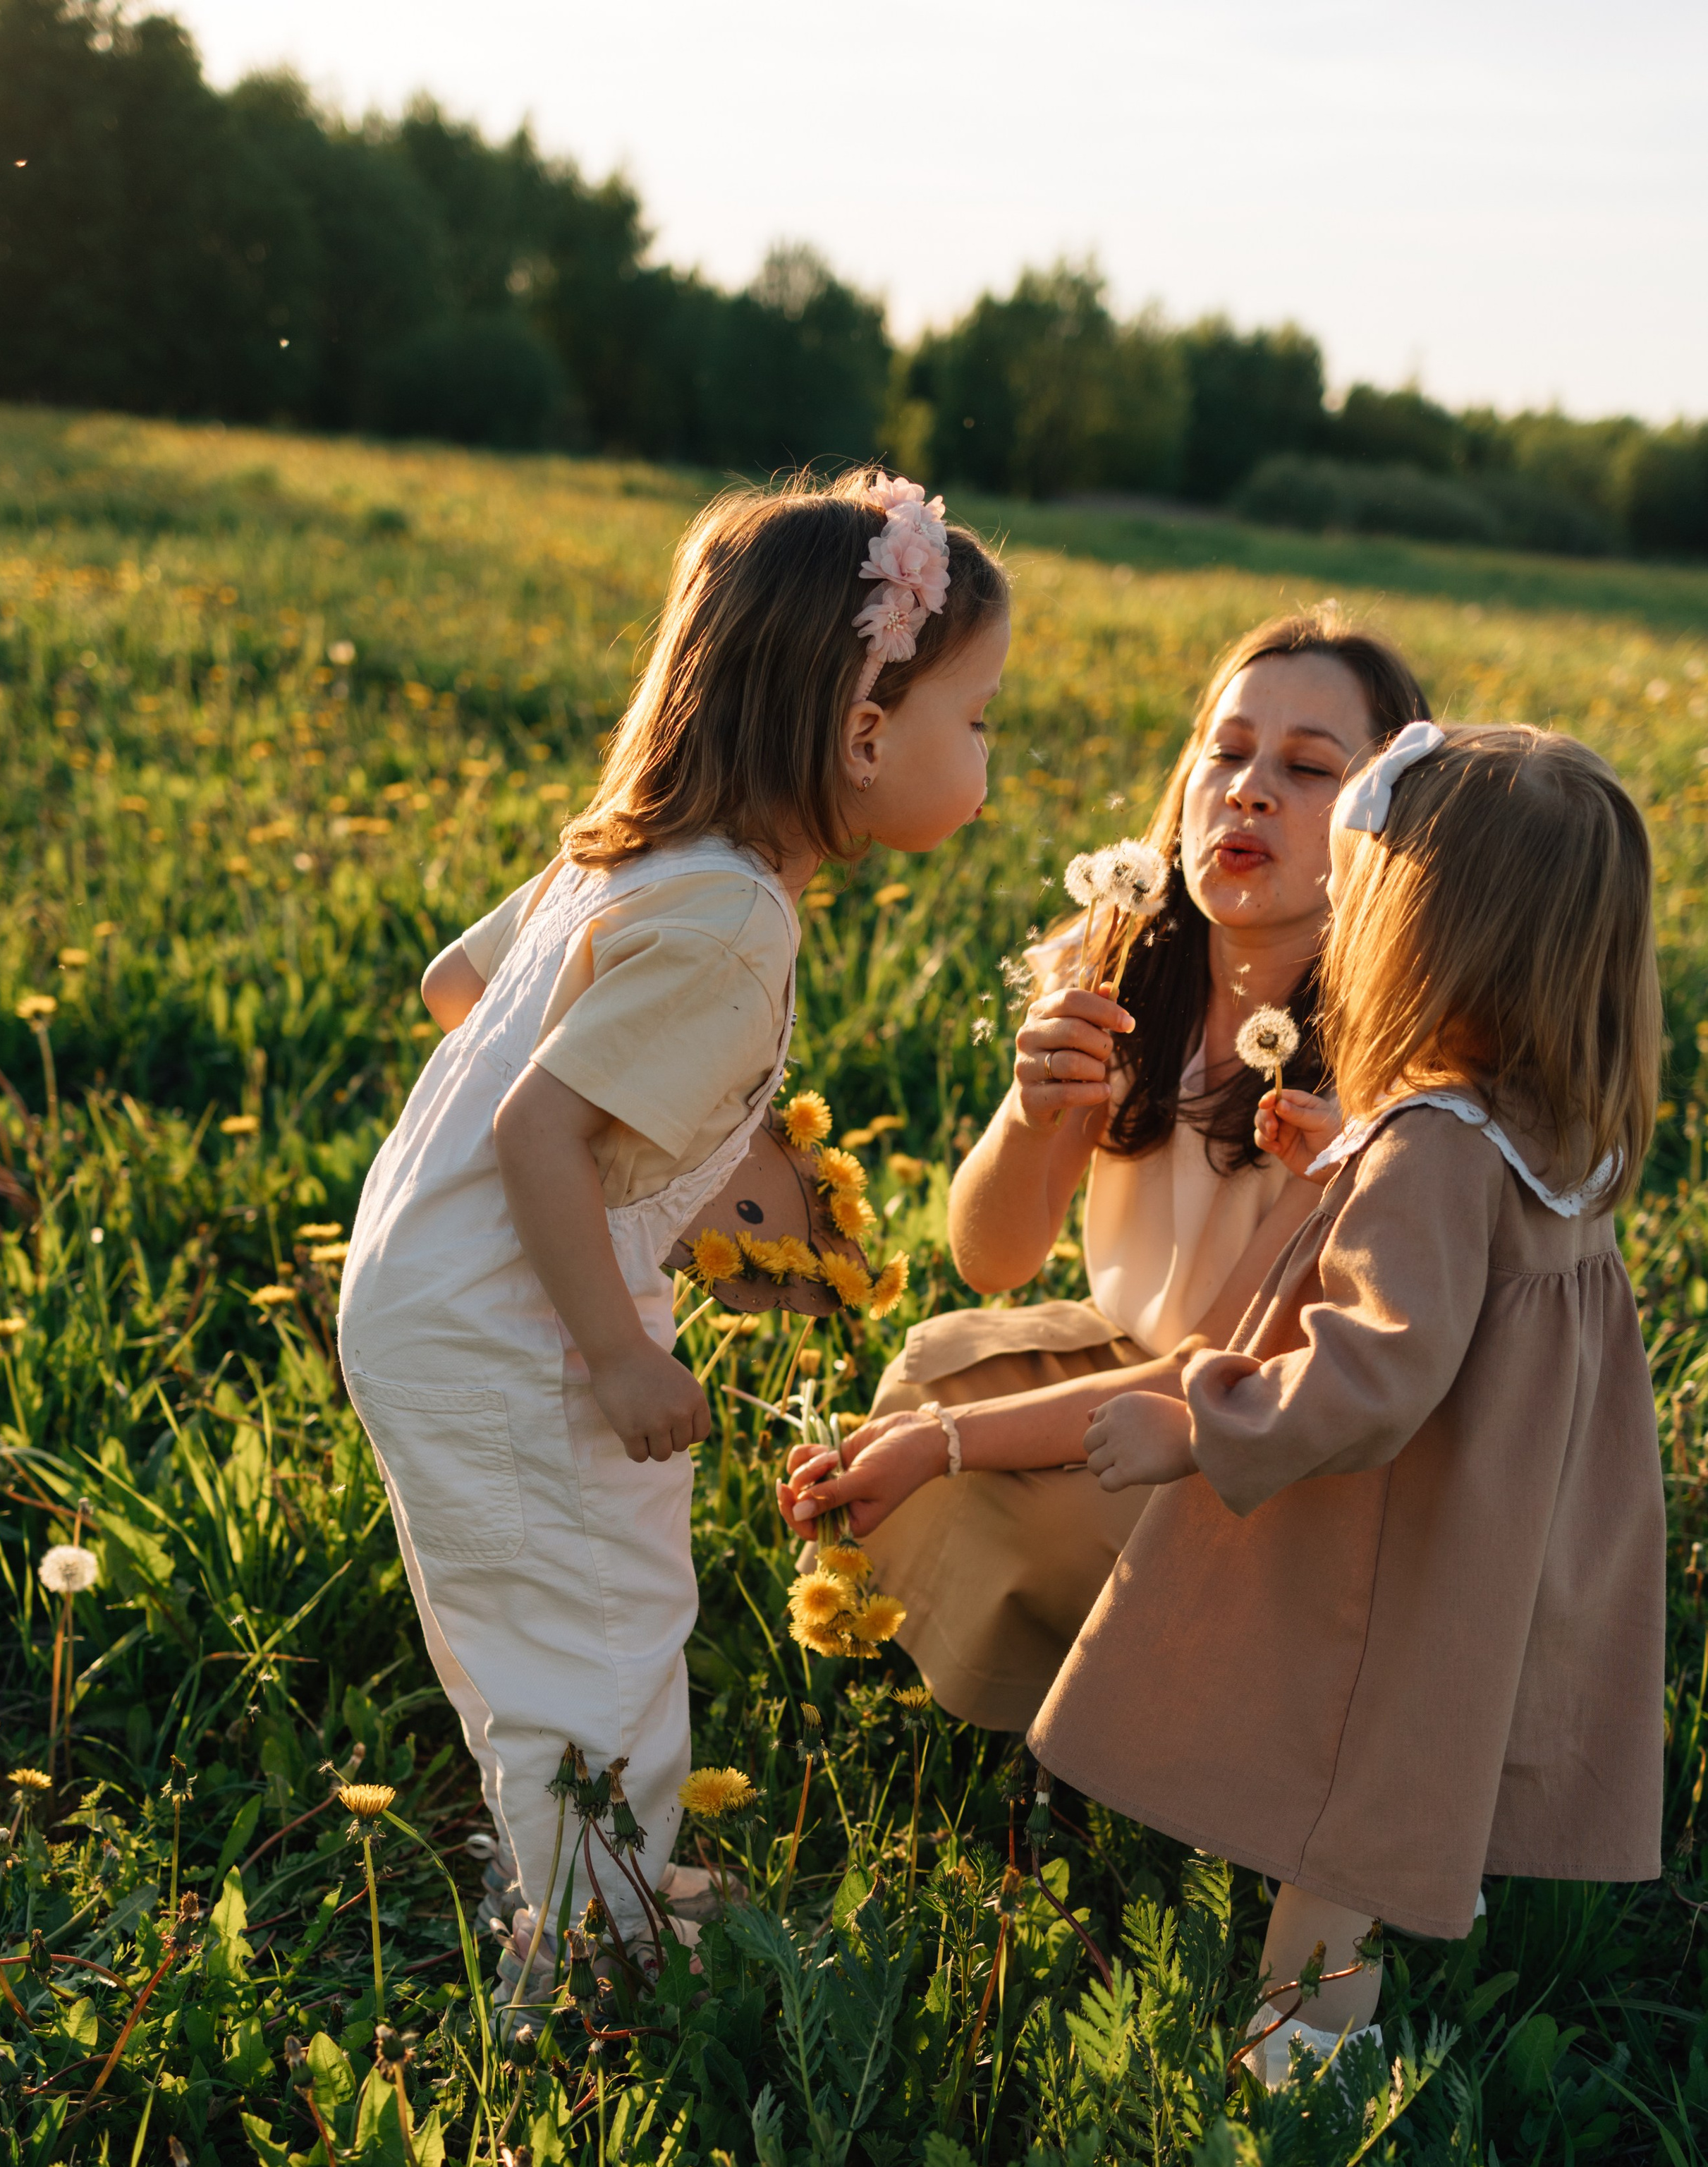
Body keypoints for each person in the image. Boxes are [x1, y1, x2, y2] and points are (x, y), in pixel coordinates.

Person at [337, 471, 1010, 1989]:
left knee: (529, 1621)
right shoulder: (733, 920)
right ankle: (586, 1968)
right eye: (974, 719)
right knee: (602, 1633)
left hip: (419, 1296)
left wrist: (676, 1152)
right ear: (860, 730)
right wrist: (618, 1352)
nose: (985, 754)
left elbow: (462, 994)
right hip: (521, 1331)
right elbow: (536, 1128)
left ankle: (568, 1868)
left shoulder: (625, 856)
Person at [1032, 721, 1665, 2080]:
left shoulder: (1438, 1145)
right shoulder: (1556, 1130)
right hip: (1497, 1532)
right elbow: (1477, 1288)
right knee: (1432, 1731)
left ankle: (1303, 2072)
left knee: (1344, 1787)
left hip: (1395, 1537)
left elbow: (1379, 1367)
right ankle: (1425, 1883)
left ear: (1431, 938)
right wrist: (1356, 1161)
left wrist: (1197, 1421)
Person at [779, 612, 1430, 1731]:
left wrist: (950, 1450)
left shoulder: (1387, 1056)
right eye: (1225, 754)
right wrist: (1035, 1116)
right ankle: (1049, 1672)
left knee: (1009, 1497)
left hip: (1262, 1426)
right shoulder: (1122, 965)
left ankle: (1138, 1728)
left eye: (1310, 768)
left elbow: (1216, 1369)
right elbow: (992, 1259)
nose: (1251, 790)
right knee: (932, 1369)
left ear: (1388, 823)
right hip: (1138, 1357)